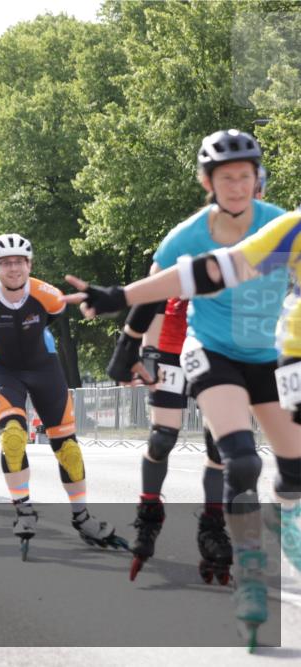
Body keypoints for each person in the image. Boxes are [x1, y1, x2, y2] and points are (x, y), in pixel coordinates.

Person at [63, 129, 299, 649]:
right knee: (240, 460)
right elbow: (186, 279)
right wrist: (124, 323)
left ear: (259, 178)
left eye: (246, 177)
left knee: (294, 475)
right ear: (207, 182)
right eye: (226, 178)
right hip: (211, 350)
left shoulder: (282, 223)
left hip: (274, 354)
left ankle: (286, 535)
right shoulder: (186, 236)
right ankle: (252, 576)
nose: (238, 187)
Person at [0, 233, 128, 560]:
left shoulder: (48, 296)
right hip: (3, 370)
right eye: (5, 263)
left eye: (19, 262)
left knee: (66, 446)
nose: (13, 269)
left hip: (45, 367)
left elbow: (51, 318)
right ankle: (23, 509)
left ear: (29, 264)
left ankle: (82, 517)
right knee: (13, 437)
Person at [109, 294, 229, 583]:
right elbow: (155, 297)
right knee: (162, 438)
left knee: (219, 445)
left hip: (213, 348)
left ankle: (212, 527)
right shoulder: (178, 247)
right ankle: (149, 518)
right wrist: (149, 354)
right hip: (169, 346)